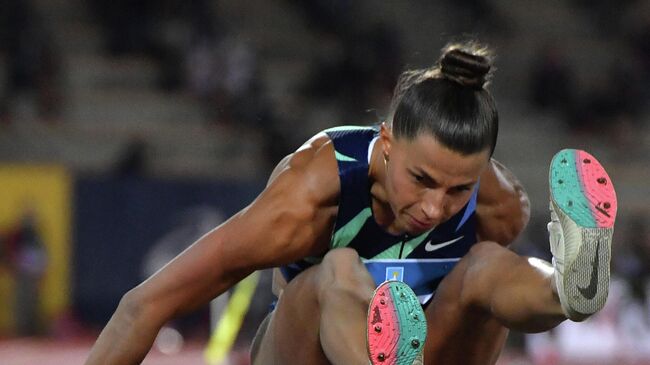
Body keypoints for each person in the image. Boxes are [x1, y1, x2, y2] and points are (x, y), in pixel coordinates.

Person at [85, 40, 618, 365]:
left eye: (459, 189)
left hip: (427, 349)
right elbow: (144, 304)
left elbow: (494, 308)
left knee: (486, 266)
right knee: (338, 268)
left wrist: (547, 292)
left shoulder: (499, 204)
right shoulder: (311, 192)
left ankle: (570, 289)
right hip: (303, 354)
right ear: (385, 143)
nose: (436, 207)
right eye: (422, 179)